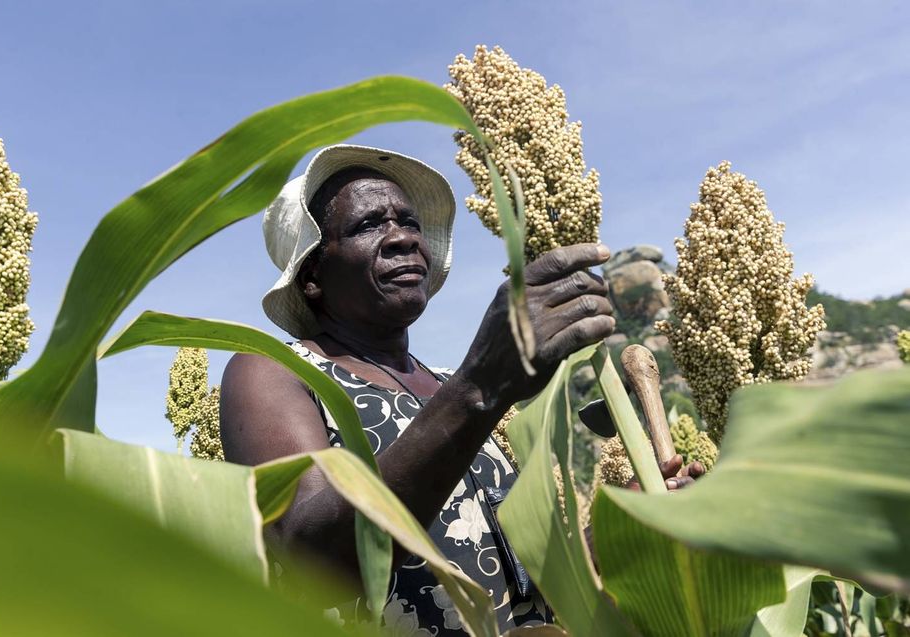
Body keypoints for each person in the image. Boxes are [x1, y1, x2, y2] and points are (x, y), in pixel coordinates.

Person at [219, 144, 702, 634]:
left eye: (408, 221)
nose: (403, 238)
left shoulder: (449, 387)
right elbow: (315, 560)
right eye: (369, 225)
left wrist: (626, 527)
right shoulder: (275, 371)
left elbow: (519, 576)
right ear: (312, 276)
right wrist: (482, 386)